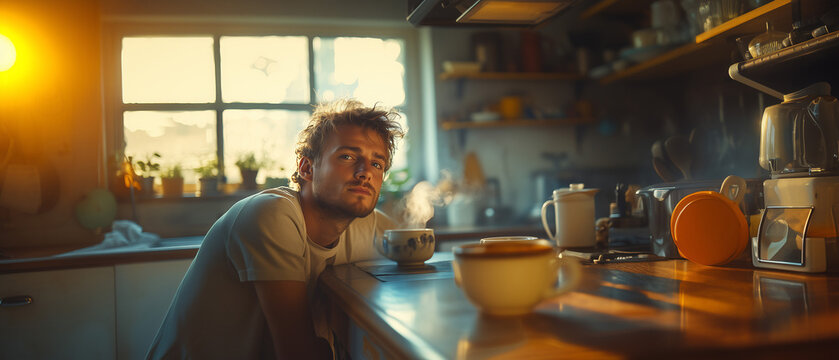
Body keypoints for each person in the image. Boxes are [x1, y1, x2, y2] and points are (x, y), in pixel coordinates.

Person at [146, 99, 405, 360]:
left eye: (377, 164)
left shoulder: (368, 224)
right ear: (306, 168)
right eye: (347, 157)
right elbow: (297, 353)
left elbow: (421, 251)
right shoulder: (271, 214)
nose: (365, 173)